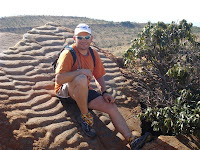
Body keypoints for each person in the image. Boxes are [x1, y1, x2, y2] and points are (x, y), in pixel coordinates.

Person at [54, 23, 152, 150]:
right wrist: (80, 72)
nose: (83, 40)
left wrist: (104, 92)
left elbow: (99, 76)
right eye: (80, 37)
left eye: (86, 37)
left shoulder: (93, 54)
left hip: (83, 90)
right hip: (66, 93)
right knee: (82, 78)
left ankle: (131, 139)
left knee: (111, 106)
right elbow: (59, 78)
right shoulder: (68, 53)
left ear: (91, 38)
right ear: (74, 39)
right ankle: (85, 117)